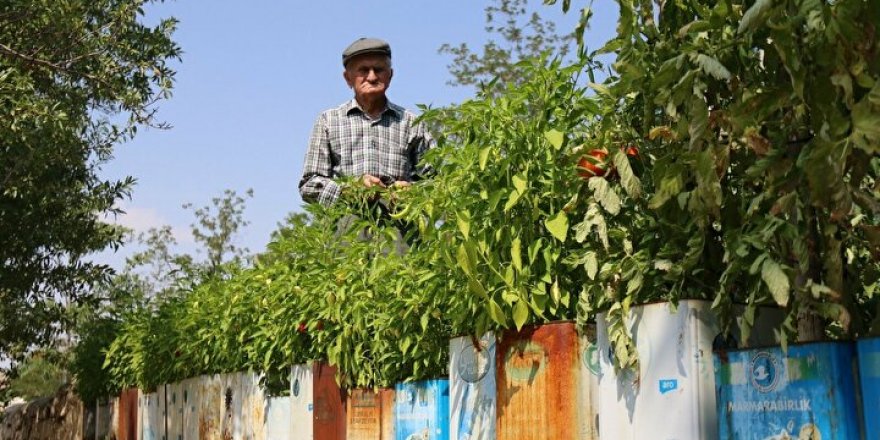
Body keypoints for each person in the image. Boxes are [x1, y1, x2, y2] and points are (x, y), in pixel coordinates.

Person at [299, 37, 434, 206]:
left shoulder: (413, 122)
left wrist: (412, 190)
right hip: (346, 219)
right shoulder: (328, 120)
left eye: (379, 70)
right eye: (363, 70)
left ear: (390, 75)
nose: (372, 77)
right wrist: (352, 190)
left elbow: (436, 182)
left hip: (401, 219)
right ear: (348, 78)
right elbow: (309, 184)